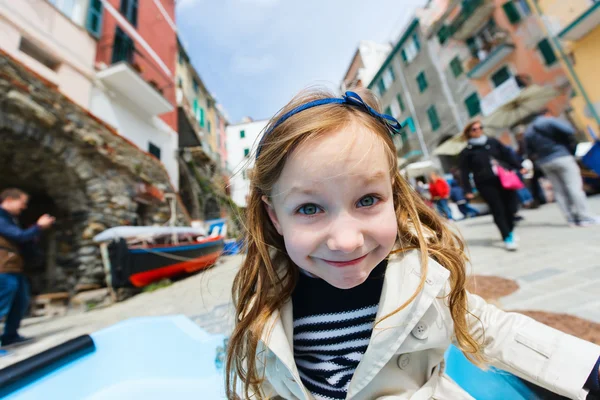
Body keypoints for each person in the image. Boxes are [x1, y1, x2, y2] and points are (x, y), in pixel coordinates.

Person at [224, 88, 600, 400]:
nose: (346, 241)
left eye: (367, 200)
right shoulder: (265, 300)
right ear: (275, 216)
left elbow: (492, 329)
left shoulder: (422, 280)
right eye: (309, 208)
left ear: (393, 195)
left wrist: (588, 368)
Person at [0, 188, 55, 347]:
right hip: (3, 268)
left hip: (13, 266)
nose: (24, 207)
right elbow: (19, 236)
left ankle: (10, 336)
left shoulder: (10, 218)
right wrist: (38, 226)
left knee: (20, 300)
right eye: (22, 203)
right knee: (2, 303)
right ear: (9, 200)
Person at [525, 109, 598, 226]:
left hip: (545, 162)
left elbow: (529, 151)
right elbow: (569, 131)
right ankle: (584, 217)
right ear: (547, 114)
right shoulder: (549, 122)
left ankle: (570, 218)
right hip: (561, 156)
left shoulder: (528, 132)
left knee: (559, 191)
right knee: (574, 187)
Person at [459, 120, 523, 251]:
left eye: (480, 128)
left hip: (504, 179)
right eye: (474, 129)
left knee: (511, 207)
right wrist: (467, 190)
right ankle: (507, 236)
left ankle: (509, 230)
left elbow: (507, 155)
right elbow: (464, 172)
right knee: (497, 209)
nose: (478, 130)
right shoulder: (467, 152)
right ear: (469, 133)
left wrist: (519, 166)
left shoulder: (492, 142)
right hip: (485, 183)